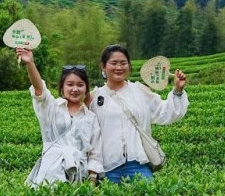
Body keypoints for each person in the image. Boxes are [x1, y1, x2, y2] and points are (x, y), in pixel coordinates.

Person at [90, 44, 188, 183]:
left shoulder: (139, 91)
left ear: (129, 66)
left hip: (138, 163)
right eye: (114, 63)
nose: (119, 67)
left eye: (123, 63)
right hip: (108, 166)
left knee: (147, 195)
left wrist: (178, 90)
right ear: (103, 67)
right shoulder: (95, 97)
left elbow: (164, 112)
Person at [17, 47, 103, 187]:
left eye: (80, 85)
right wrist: (30, 63)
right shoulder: (52, 107)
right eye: (70, 84)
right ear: (62, 88)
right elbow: (39, 89)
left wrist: (92, 182)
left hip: (79, 175)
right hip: (51, 172)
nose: (75, 89)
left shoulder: (91, 117)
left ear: (86, 89)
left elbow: (95, 152)